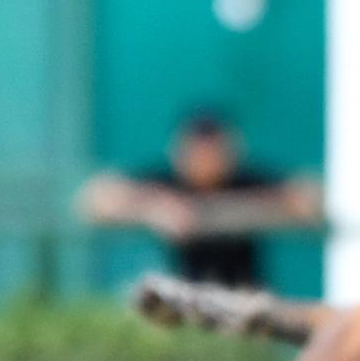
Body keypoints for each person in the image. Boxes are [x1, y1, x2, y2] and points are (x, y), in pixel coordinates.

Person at [73, 107, 319, 288]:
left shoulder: (248, 180)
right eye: (197, 152)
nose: (205, 161)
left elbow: (310, 199)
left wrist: (234, 211)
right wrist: (152, 210)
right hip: (181, 298)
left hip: (245, 298)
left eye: (213, 152)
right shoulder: (165, 182)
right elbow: (94, 199)